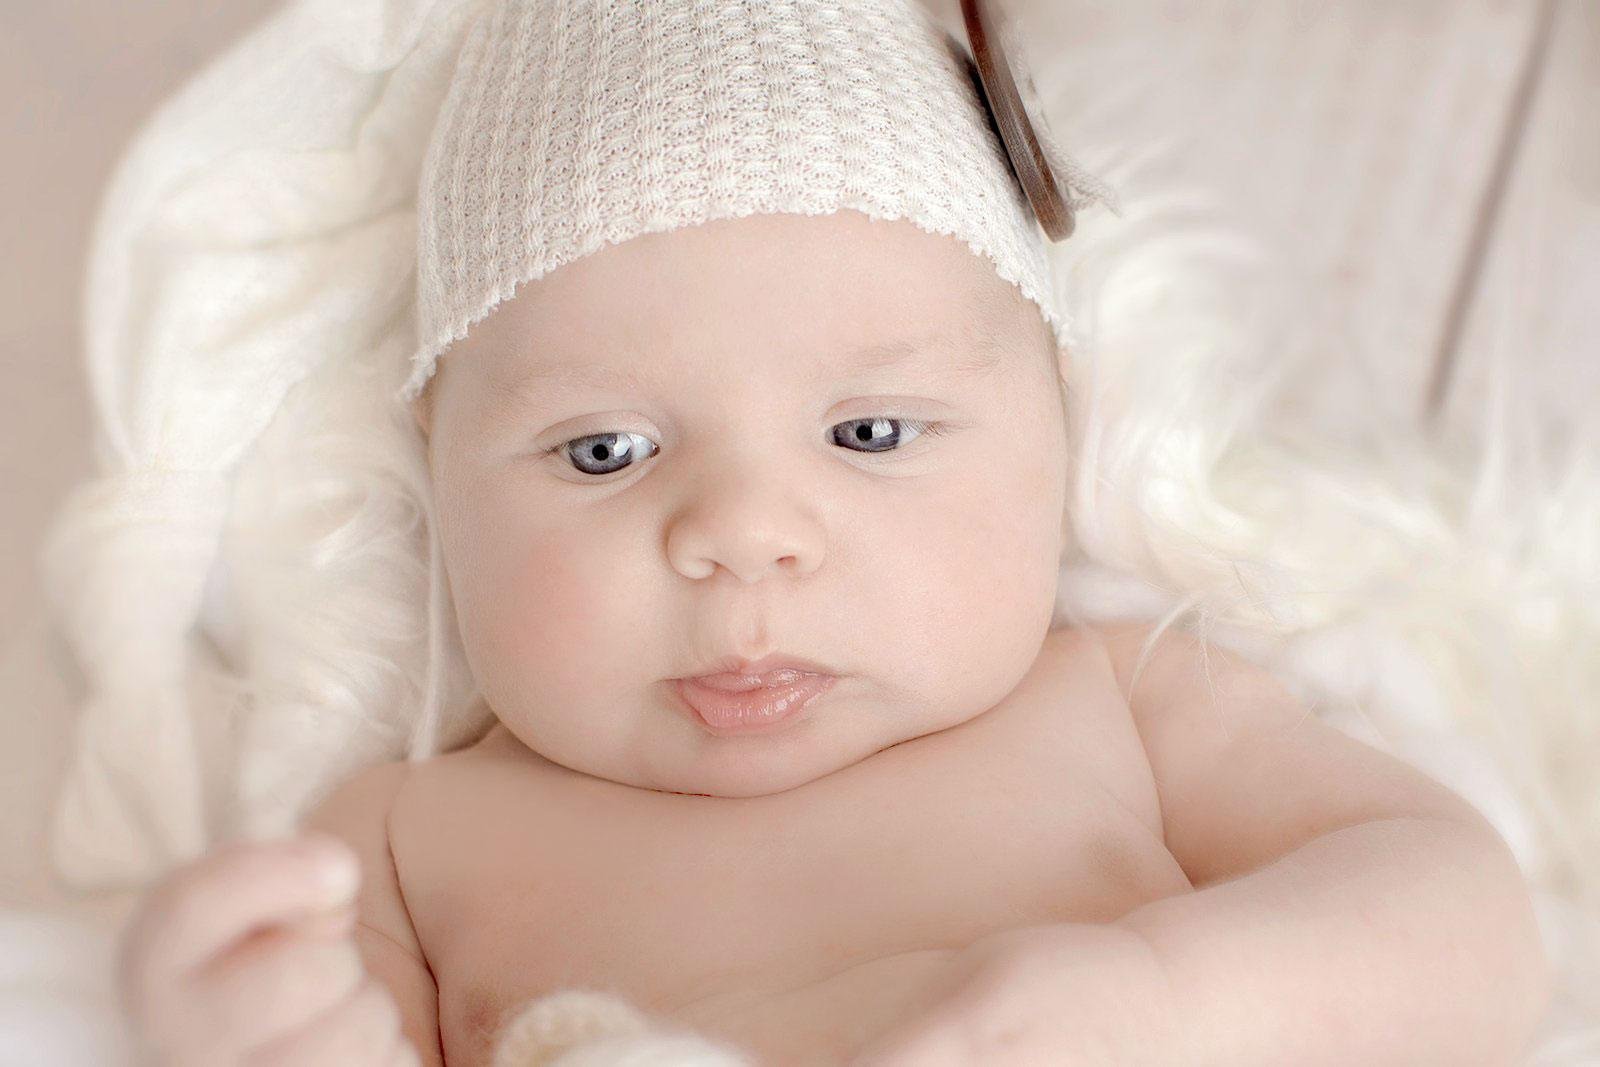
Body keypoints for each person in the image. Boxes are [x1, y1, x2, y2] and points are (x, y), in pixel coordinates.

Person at [91, 1, 1552, 1064]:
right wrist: (239, 1023)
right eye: (603, 451)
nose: (740, 536)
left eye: (869, 433)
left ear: (1056, 422)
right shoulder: (407, 839)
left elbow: (1468, 922)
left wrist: (1170, 1003)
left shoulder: (1124, 701)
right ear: (441, 474)